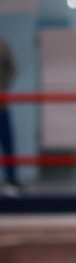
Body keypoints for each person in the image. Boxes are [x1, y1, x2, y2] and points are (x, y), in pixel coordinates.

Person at [0, 36, 20, 195]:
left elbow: (12, 68)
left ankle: (11, 180)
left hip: (1, 106)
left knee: (8, 143)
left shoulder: (2, 45)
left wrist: (3, 88)